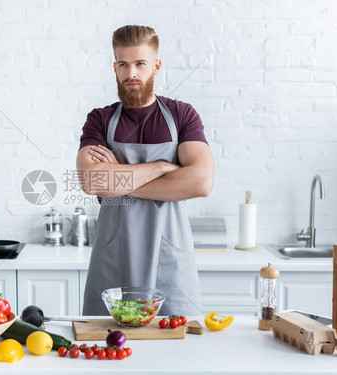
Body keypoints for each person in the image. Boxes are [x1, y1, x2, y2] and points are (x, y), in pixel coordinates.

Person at [77, 25, 214, 316]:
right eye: (124, 65)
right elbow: (92, 180)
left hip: (170, 264)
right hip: (114, 259)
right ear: (114, 68)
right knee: (107, 350)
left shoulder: (181, 116)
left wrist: (118, 176)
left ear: (156, 66)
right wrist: (163, 168)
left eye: (140, 64)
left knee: (174, 354)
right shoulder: (99, 120)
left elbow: (201, 182)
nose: (132, 74)